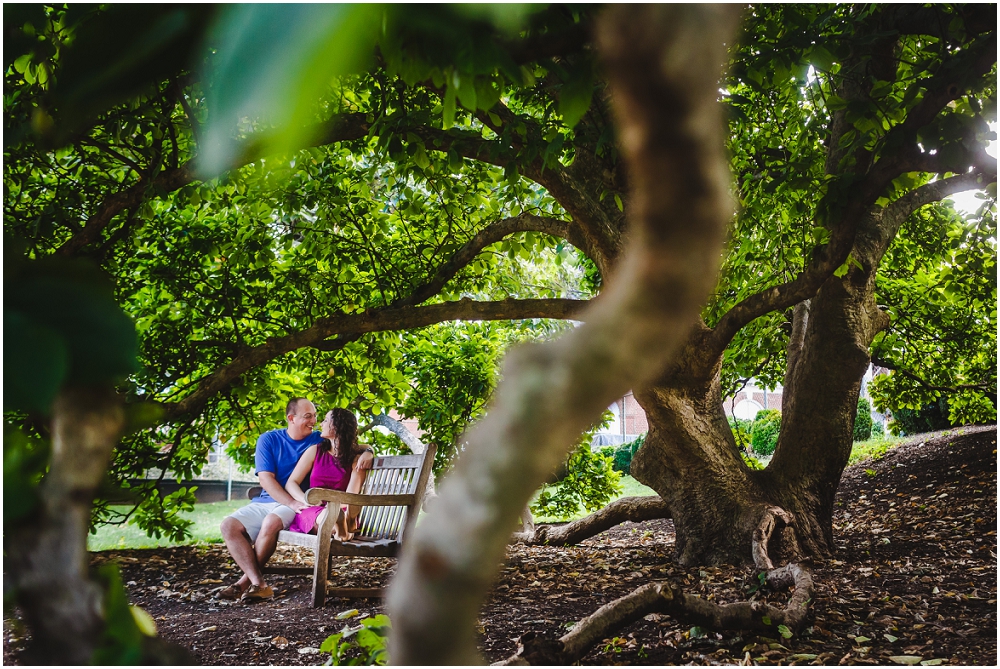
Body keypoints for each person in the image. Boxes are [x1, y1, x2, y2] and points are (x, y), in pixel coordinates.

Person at [217, 398, 372, 601]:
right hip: (287, 501)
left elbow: (350, 443)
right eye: (309, 417)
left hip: (305, 505)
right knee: (228, 525)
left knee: (272, 522)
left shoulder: (318, 439)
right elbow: (267, 479)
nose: (315, 422)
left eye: (318, 417)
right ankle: (256, 582)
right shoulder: (271, 440)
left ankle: (248, 584)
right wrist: (295, 502)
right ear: (291, 418)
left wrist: (368, 451)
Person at [285, 408, 372, 541]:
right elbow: (291, 483)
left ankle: (341, 525)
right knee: (327, 516)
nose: (321, 424)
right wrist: (306, 500)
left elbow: (351, 495)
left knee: (334, 514)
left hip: (343, 506)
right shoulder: (315, 451)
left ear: (337, 425)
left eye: (326, 420)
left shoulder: (356, 459)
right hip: (314, 508)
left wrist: (368, 451)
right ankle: (342, 528)